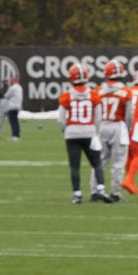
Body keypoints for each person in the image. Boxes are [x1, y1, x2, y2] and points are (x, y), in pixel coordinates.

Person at [57, 63, 110, 204]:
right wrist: (94, 129)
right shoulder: (93, 94)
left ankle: (77, 195)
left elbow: (60, 119)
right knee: (97, 163)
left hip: (72, 133)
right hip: (89, 132)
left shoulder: (66, 95)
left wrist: (66, 130)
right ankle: (101, 190)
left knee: (75, 166)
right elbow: (99, 117)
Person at [91, 60, 133, 203]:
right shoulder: (126, 91)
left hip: (102, 126)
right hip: (118, 126)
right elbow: (129, 115)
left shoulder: (98, 90)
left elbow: (94, 110)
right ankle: (115, 193)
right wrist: (127, 129)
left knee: (99, 160)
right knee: (119, 162)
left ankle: (95, 191)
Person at [4, 76, 23, 141]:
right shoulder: (20, 87)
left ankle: (14, 136)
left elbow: (6, 95)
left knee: (13, 122)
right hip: (17, 106)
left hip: (12, 106)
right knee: (15, 121)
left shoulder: (13, 88)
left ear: (13, 81)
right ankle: (17, 135)